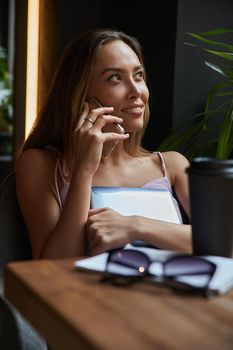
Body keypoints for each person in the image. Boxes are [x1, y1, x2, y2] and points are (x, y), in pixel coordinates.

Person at [16, 28, 191, 259]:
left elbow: (223, 245)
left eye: (138, 76)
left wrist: (136, 226)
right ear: (80, 94)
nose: (136, 91)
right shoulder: (40, 164)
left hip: (170, 294)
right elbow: (52, 266)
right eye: (115, 78)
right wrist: (83, 170)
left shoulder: (172, 165)